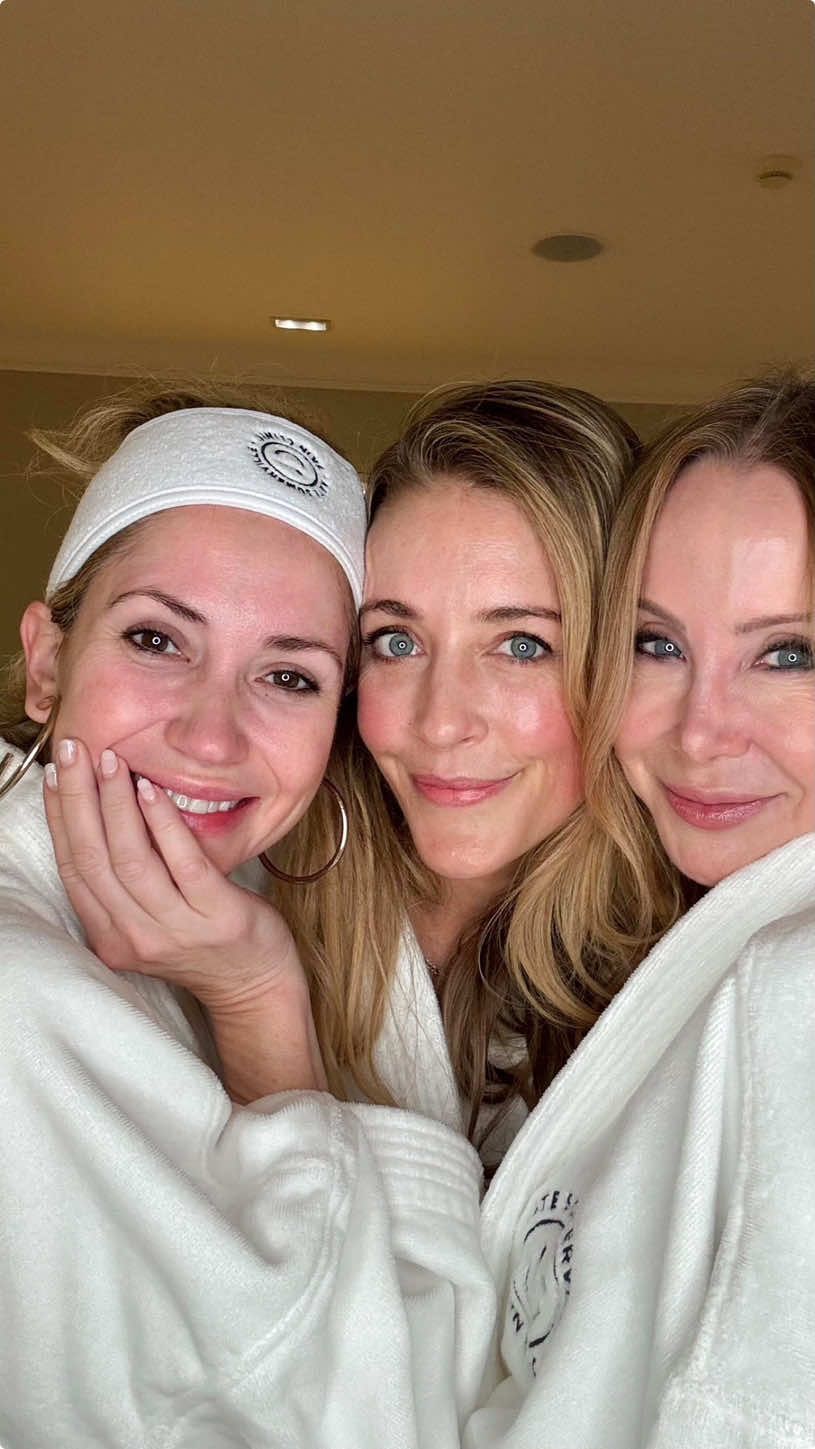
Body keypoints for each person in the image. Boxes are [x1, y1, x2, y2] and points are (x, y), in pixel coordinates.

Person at [0, 383, 497, 1449]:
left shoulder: (294, 901)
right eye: (155, 639)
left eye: (287, 675)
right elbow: (365, 1420)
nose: (211, 736)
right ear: (46, 663)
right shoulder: (18, 1004)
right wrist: (260, 1000)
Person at [461, 372, 815, 1447]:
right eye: (656, 644)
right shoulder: (644, 955)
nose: (698, 731)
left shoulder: (794, 991)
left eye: (788, 654)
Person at [292, 380, 648, 1164]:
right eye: (396, 641)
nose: (440, 721)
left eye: (522, 645)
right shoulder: (253, 888)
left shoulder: (688, 982)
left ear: (622, 661)